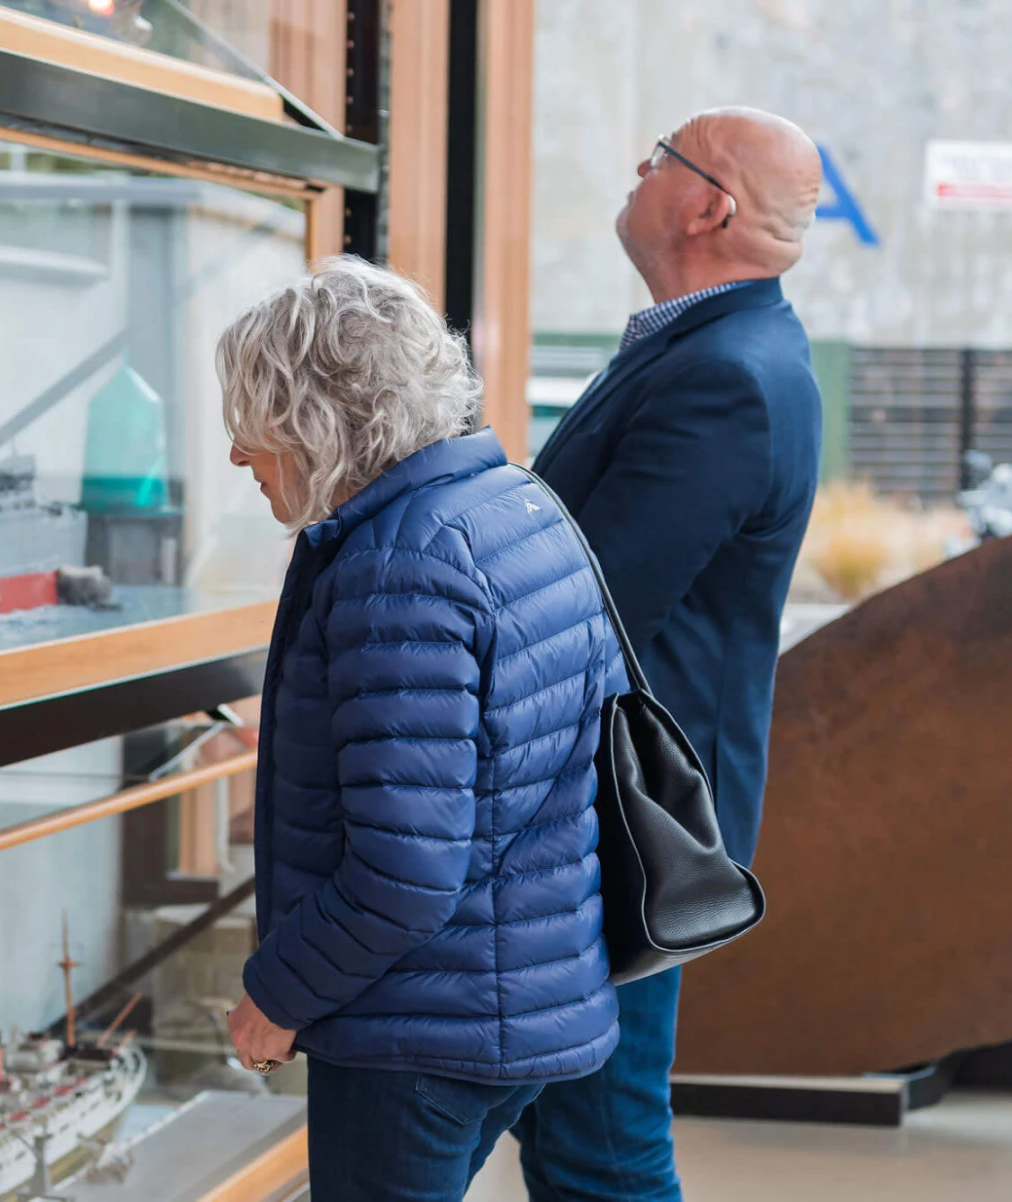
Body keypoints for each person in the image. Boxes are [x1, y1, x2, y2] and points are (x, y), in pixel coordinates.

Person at [219, 256, 628, 1202]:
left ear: (320, 418)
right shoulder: (518, 507)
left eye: (252, 420)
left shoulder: (399, 564)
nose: (240, 455)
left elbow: (404, 875)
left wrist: (276, 996)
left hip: (416, 1029)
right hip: (522, 995)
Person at [516, 107, 825, 1199]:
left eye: (658, 157)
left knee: (601, 1140)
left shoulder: (727, 377)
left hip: (620, 826)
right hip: (614, 817)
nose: (636, 169)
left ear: (708, 205)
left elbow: (588, 601)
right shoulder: (709, 348)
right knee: (581, 1135)